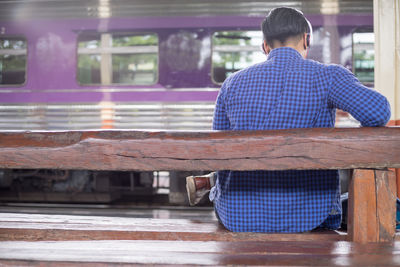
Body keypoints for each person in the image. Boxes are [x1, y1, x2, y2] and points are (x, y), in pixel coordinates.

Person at [186, 7, 391, 232]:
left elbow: (219, 152)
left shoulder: (232, 84)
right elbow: (378, 112)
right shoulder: (327, 77)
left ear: (265, 45)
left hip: (238, 218)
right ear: (306, 39)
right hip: (310, 219)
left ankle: (209, 183)